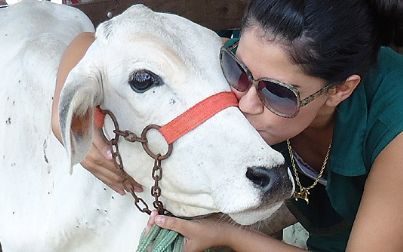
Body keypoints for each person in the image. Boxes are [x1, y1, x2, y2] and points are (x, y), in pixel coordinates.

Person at [52, 0, 403, 251]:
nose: (245, 103)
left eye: (277, 93)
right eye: (236, 71)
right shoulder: (261, 58)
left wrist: (231, 237)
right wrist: (64, 114)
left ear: (341, 89)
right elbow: (96, 43)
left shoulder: (395, 127)